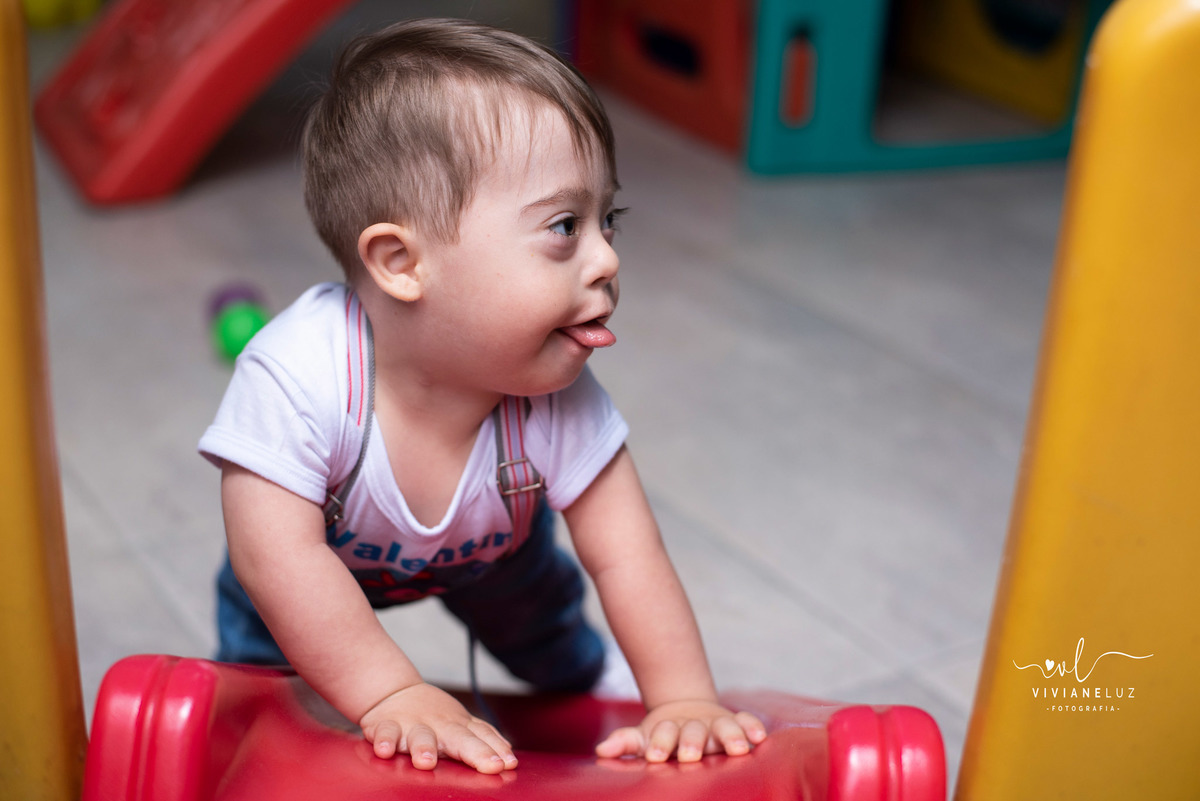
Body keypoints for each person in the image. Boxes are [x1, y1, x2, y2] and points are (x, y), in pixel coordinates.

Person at [199, 17, 767, 774]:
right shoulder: (297, 375)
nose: (606, 258)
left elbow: (629, 556)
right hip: (310, 576)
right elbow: (279, 560)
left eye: (609, 220)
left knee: (554, 639)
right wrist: (389, 690)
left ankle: (588, 685)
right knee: (265, 682)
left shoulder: (559, 395)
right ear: (401, 262)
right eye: (565, 226)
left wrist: (682, 697)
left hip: (496, 561)